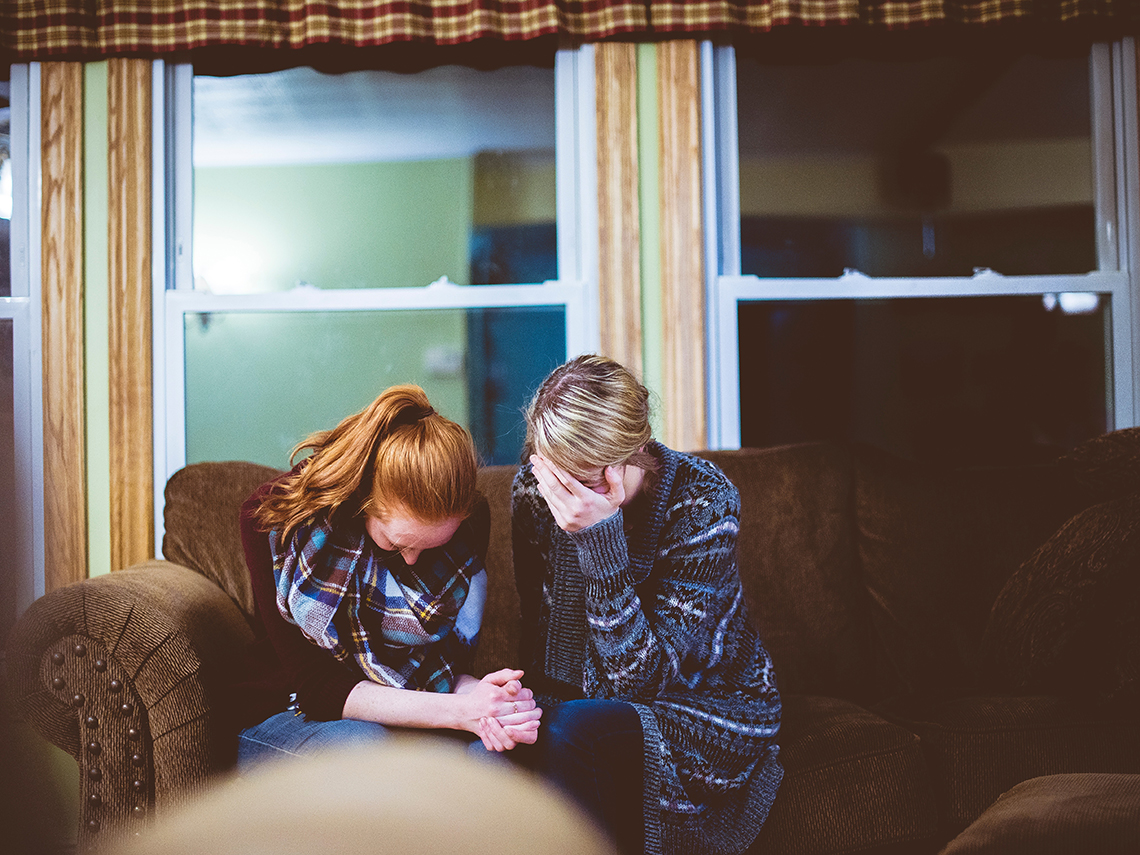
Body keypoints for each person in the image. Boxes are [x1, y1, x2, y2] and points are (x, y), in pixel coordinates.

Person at [508, 355, 782, 855]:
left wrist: (600, 540)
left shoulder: (703, 501)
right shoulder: (534, 490)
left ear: (634, 450)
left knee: (576, 731)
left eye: (585, 480)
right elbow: (542, 633)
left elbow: (640, 683)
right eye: (556, 476)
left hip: (706, 703)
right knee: (512, 741)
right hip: (585, 702)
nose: (565, 497)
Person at [234, 384, 542, 767]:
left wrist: (490, 700)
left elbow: (443, 670)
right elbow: (317, 689)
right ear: (363, 502)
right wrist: (461, 712)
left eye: (429, 548)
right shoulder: (275, 520)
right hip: (289, 710)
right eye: (397, 545)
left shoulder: (468, 525)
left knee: (497, 756)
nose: (413, 561)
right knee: (367, 750)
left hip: (407, 710)